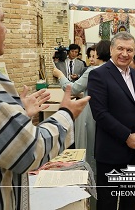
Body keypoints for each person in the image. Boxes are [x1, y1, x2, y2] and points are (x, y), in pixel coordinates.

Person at [0, 0, 90, 209]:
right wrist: (66, 114)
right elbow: (28, 152)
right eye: (2, 21)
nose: (5, 29)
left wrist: (16, 113)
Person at [87, 32, 135, 210]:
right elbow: (100, 113)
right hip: (112, 150)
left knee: (130, 200)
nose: (124, 54)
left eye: (129, 50)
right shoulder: (98, 74)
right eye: (120, 48)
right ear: (111, 49)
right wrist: (127, 136)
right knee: (108, 201)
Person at [53, 40, 111, 176]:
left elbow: (72, 89)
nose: (91, 58)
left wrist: (60, 76)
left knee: (86, 148)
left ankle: (88, 186)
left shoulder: (93, 71)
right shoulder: (112, 70)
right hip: (105, 114)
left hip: (89, 113)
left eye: (94, 54)